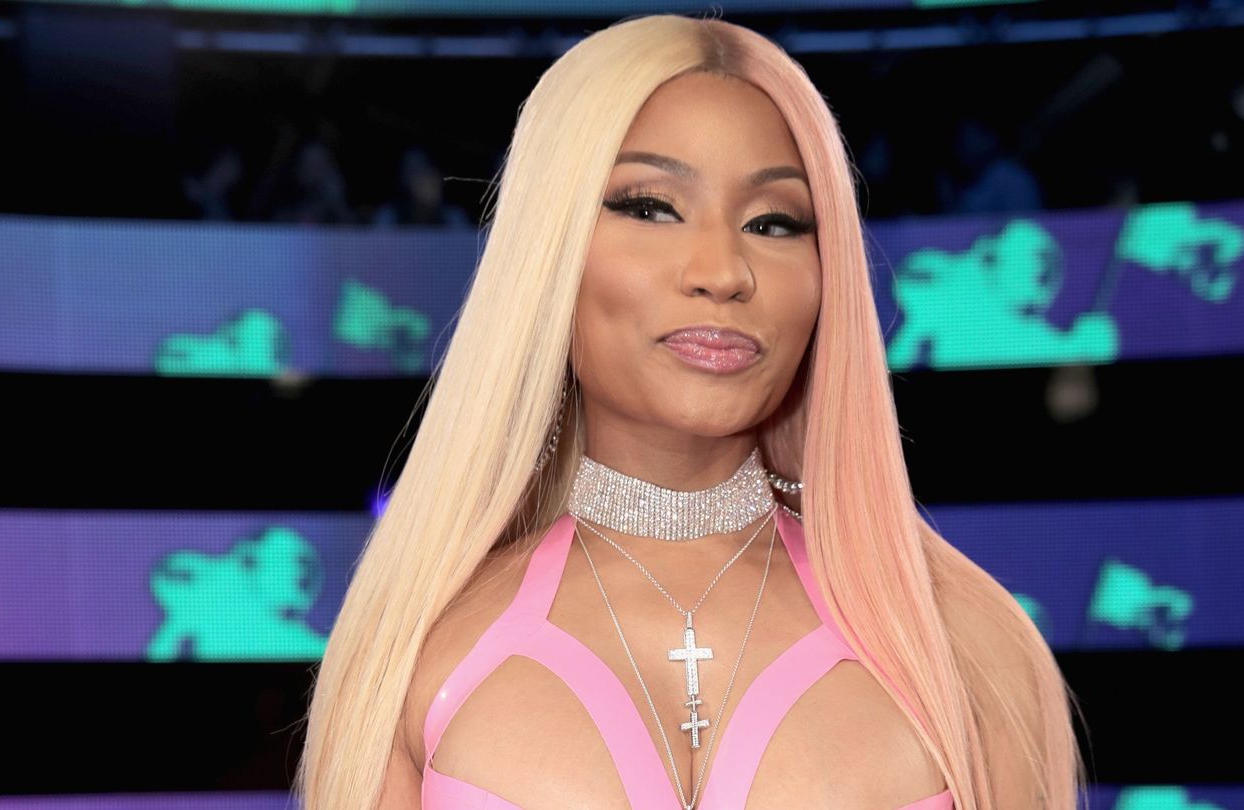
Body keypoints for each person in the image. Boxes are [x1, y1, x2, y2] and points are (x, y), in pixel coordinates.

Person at [296, 13, 1086, 810]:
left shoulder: (966, 645)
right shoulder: (415, 653)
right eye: (650, 207)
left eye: (773, 222)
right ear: (547, 247)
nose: (722, 270)